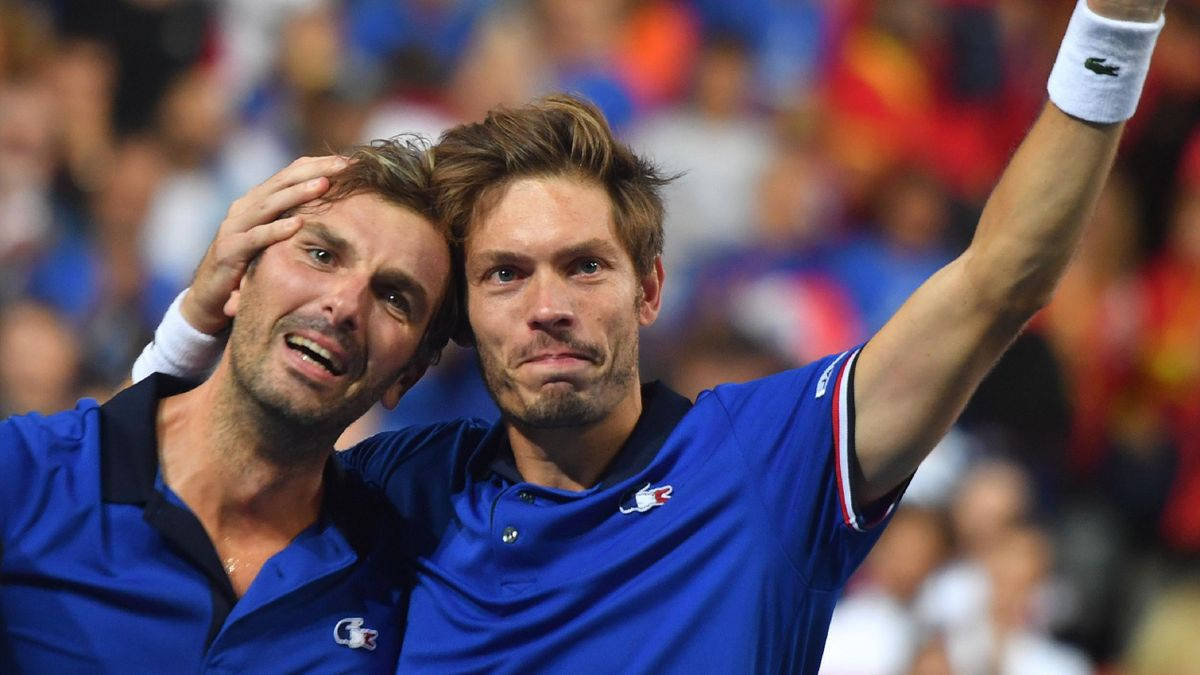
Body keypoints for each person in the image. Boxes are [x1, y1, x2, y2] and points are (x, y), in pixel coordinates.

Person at [135, 0, 1169, 670]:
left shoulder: (771, 461)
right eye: (505, 275)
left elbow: (1000, 281)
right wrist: (198, 318)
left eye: (585, 265)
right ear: (462, 317)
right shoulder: (396, 492)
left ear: (650, 290)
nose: (548, 305)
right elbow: (138, 514)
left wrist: (1117, 23)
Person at [0, 142, 457, 672]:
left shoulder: (410, 579)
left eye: (395, 297)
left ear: (410, 374)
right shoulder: (24, 476)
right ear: (237, 277)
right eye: (322, 255)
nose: (345, 304)